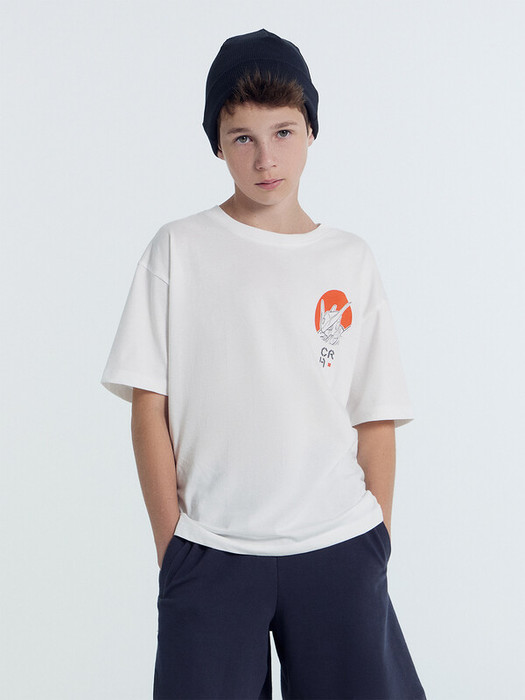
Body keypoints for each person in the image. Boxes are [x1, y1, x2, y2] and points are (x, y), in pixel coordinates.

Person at [101, 27, 426, 700]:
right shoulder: (179, 249)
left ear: (311, 130)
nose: (265, 158)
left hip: (338, 547)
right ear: (217, 144)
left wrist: (376, 545)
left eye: (282, 132)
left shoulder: (349, 260)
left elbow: (375, 415)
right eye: (242, 137)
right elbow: (148, 408)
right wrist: (173, 548)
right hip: (211, 554)